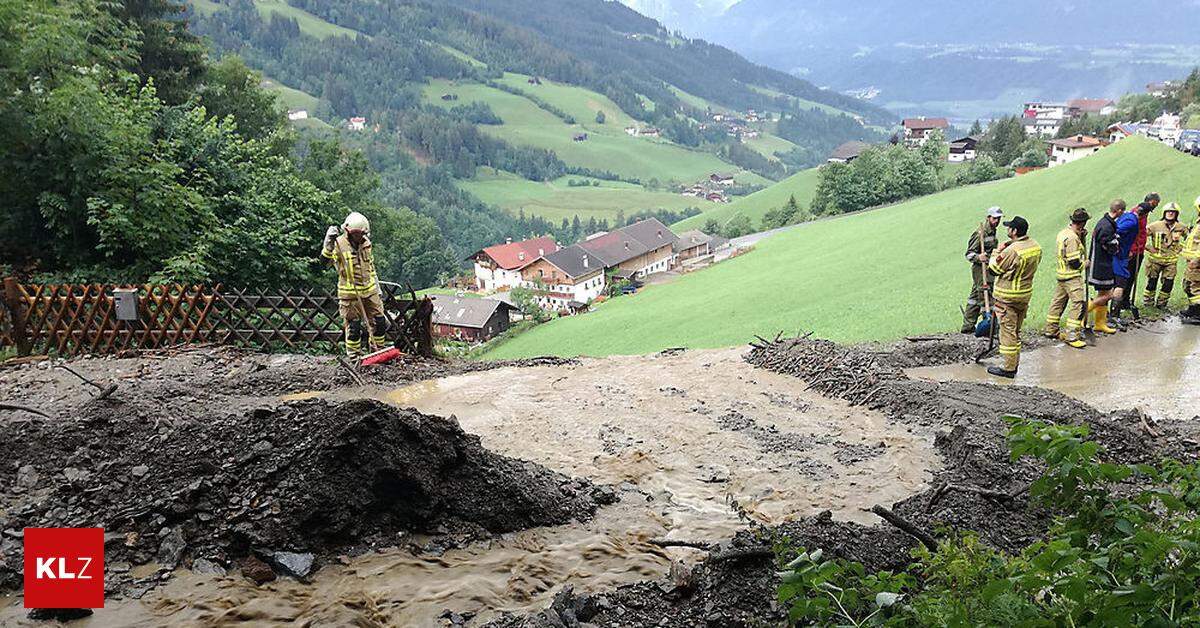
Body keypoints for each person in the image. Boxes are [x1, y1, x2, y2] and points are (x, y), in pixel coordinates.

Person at [322, 212, 389, 357]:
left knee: (380, 322)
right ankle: (354, 356)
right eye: (357, 234)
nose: (360, 237)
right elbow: (324, 264)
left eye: (362, 234)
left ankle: (378, 351)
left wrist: (377, 288)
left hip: (370, 292)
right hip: (350, 295)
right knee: (354, 327)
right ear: (349, 232)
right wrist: (328, 244)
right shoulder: (339, 245)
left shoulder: (366, 244)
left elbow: (371, 266)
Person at [986, 216, 1042, 379]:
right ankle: (1014, 362)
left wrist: (998, 250)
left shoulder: (1012, 250)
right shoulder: (1035, 246)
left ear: (1015, 231)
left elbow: (994, 269)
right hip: (1024, 295)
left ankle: (1009, 368)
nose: (1007, 229)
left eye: (1009, 227)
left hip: (1007, 297)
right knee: (1016, 330)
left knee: (1008, 332)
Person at [1045, 208, 1089, 349]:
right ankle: (1072, 336)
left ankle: (1050, 330)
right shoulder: (1072, 238)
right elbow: (1074, 261)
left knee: (1057, 303)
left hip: (1061, 275)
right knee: (1078, 304)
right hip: (1072, 277)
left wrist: (1081, 237)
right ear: (1082, 223)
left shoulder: (1063, 233)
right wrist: (1085, 264)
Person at [960, 206, 1003, 334]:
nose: (997, 221)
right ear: (988, 218)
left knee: (974, 298)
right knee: (985, 296)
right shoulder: (980, 233)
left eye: (998, 219)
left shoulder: (992, 232)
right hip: (980, 270)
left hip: (988, 268)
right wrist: (979, 257)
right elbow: (968, 254)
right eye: (994, 218)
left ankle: (967, 326)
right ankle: (988, 324)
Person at [1113, 193, 1158, 317]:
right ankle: (1120, 302)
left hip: (1140, 250)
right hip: (1133, 252)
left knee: (1132, 277)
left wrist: (1145, 247)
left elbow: (1142, 233)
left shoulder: (1143, 214)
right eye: (1155, 204)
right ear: (1151, 202)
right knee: (1126, 277)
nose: (1155, 207)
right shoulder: (1135, 216)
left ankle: (1126, 300)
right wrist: (1132, 249)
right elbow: (1131, 234)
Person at [1143, 202, 1190, 309]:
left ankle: (1162, 304)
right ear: (1164, 213)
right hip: (1155, 261)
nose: (1170, 213)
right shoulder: (1154, 226)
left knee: (1168, 284)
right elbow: (1141, 237)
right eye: (1168, 211)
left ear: (1177, 214)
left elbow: (1190, 240)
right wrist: (1148, 247)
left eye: (1173, 212)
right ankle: (1148, 304)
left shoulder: (1181, 227)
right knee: (1152, 282)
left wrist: (1181, 248)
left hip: (1171, 262)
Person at [1087, 200, 1124, 334]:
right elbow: (1110, 246)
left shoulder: (1105, 222)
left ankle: (1099, 324)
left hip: (1102, 263)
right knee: (1108, 294)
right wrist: (1116, 244)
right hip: (1101, 266)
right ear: (1119, 211)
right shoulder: (1106, 226)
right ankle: (1083, 313)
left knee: (1102, 293)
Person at [1108, 200, 1142, 325]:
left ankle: (1106, 312)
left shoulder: (1119, 219)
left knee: (1113, 285)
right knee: (1120, 285)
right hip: (1119, 258)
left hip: (1115, 257)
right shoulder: (1131, 221)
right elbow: (1116, 232)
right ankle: (1114, 315)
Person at [1183, 196, 1200, 324]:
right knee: (1187, 285)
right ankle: (1193, 309)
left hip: (1196, 262)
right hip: (1191, 261)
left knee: (1196, 287)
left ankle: (1198, 315)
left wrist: (1197, 258)